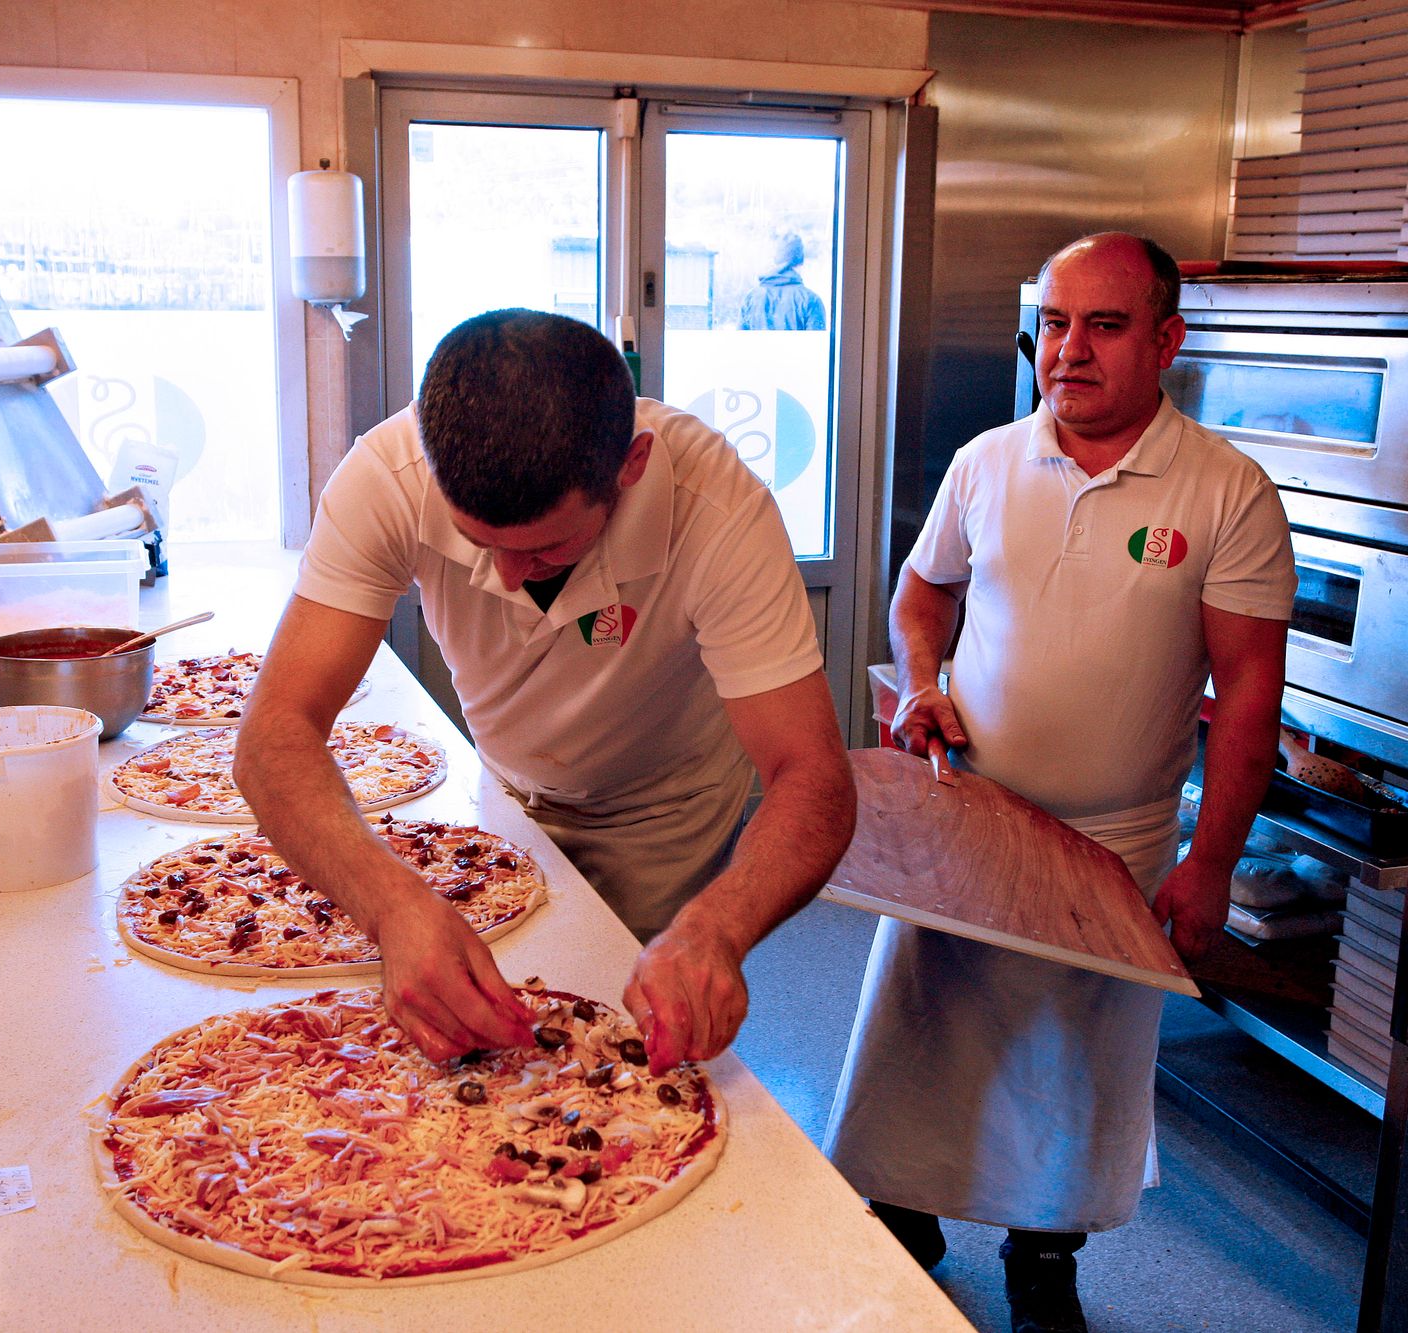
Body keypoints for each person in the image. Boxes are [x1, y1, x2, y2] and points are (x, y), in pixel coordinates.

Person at [823, 233, 1294, 1333]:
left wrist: (1210, 861)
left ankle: (1043, 1254)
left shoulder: (1225, 489)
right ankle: (904, 1211)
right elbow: (919, 595)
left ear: (1167, 340)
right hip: (968, 811)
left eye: (1104, 325)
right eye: (1054, 323)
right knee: (922, 1029)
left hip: (1114, 837)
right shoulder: (984, 462)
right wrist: (923, 684)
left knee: (1073, 1061)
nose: (1066, 350)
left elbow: (1249, 691)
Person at [236, 308, 855, 1076]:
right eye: (478, 541)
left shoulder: (718, 510)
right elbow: (274, 735)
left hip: (661, 811)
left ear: (630, 467)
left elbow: (813, 776)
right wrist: (391, 907)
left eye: (546, 547)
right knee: (469, 1055)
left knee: (610, 1067)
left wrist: (718, 929)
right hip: (500, 793)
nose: (505, 575)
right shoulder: (387, 475)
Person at [739, 233, 828, 331]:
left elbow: (740, 343)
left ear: (776, 261)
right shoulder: (811, 300)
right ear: (800, 261)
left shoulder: (751, 298)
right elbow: (817, 345)